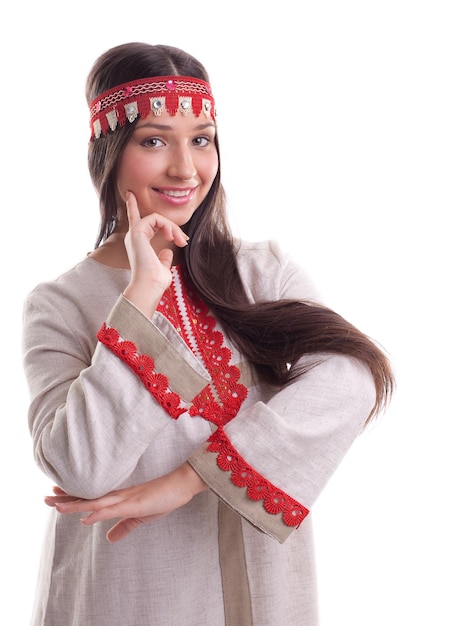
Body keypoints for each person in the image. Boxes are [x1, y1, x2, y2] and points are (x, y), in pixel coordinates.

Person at [22, 41, 394, 626]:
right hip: (129, 591)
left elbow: (352, 378)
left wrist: (190, 479)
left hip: (263, 589)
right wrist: (141, 296)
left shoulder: (262, 272)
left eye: (201, 138)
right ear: (108, 153)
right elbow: (80, 465)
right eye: (153, 140)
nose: (186, 169)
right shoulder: (60, 304)